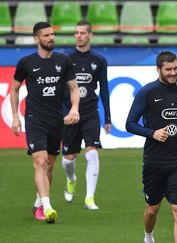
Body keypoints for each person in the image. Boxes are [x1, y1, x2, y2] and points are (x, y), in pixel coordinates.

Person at [10, 22, 80, 224]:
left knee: (49, 165)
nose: (51, 38)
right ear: (36, 39)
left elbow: (74, 88)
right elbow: (14, 89)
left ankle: (39, 201)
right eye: (47, 35)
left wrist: (74, 108)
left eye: (52, 34)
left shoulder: (64, 61)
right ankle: (48, 207)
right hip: (34, 119)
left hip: (56, 120)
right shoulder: (25, 63)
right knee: (39, 161)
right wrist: (15, 116)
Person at [125, 51, 177, 243]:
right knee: (152, 208)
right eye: (168, 69)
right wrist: (152, 133)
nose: (173, 73)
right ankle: (148, 236)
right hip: (155, 161)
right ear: (158, 69)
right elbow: (130, 123)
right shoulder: (147, 92)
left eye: (175, 68)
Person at [61, 20, 111, 210]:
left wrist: (107, 117)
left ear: (90, 35)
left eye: (82, 33)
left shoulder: (99, 61)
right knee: (68, 158)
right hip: (70, 113)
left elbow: (104, 89)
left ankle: (89, 198)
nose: (79, 36)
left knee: (92, 154)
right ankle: (70, 179)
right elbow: (60, 90)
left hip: (90, 112)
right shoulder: (65, 60)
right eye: (76, 33)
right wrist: (64, 112)